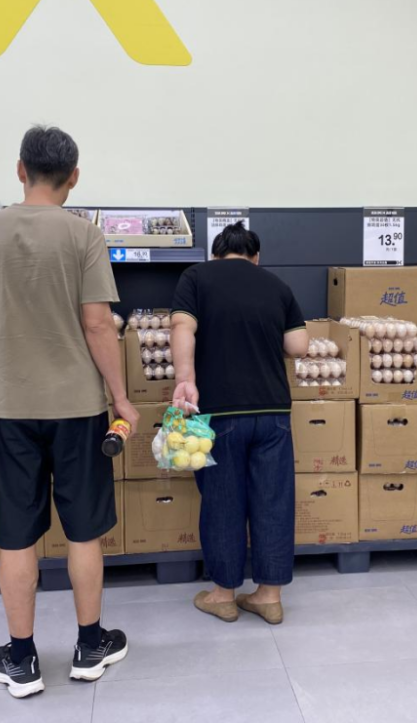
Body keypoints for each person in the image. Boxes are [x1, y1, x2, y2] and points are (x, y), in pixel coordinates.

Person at [0, 126, 139, 698]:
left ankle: (22, 657)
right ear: (74, 177)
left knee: (16, 535)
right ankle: (90, 645)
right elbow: (97, 324)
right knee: (84, 531)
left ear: (20, 170)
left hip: (9, 407)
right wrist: (121, 397)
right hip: (78, 407)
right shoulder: (84, 235)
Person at [170, 222, 308, 624]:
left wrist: (185, 380)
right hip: (273, 412)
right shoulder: (276, 285)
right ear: (255, 257)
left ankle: (223, 595)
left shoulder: (196, 277)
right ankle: (269, 596)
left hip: (220, 411)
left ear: (215, 254)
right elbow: (298, 345)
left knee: (223, 501)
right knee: (273, 500)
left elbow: (181, 326)